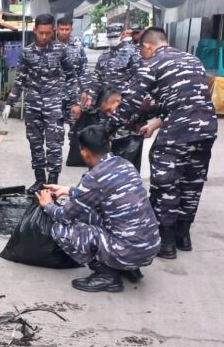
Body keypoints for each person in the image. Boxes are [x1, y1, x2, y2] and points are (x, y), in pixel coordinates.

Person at [112, 27, 218, 259]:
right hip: (207, 129)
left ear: (147, 46)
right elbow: (185, 100)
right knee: (192, 181)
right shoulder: (193, 60)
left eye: (142, 51)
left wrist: (109, 128)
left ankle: (166, 242)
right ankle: (183, 236)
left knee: (165, 183)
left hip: (179, 131)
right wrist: (155, 124)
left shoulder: (152, 64)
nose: (142, 56)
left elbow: (130, 101)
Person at [37, 125, 160, 292]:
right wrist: (67, 190)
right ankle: (128, 268)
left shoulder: (94, 177)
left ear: (84, 152)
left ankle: (107, 275)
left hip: (128, 252)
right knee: (90, 213)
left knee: (60, 229)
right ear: (109, 144)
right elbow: (100, 192)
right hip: (149, 246)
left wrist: (47, 205)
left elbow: (64, 216)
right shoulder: (125, 164)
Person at [2, 13, 79, 191]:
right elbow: (20, 80)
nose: (44, 37)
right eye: (41, 33)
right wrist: (9, 103)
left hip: (54, 104)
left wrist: (75, 102)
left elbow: (71, 77)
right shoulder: (27, 52)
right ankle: (39, 180)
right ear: (35, 30)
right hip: (33, 104)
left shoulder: (61, 50)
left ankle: (52, 182)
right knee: (35, 143)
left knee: (54, 144)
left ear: (53, 31)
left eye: (48, 33)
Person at [79, 23, 140, 115]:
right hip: (105, 100)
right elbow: (97, 78)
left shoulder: (132, 52)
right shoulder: (104, 55)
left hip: (124, 100)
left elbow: (138, 77)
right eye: (110, 37)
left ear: (122, 35)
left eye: (115, 37)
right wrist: (91, 97)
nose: (112, 40)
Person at [56, 17, 89, 135]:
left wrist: (85, 91)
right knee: (55, 134)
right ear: (56, 29)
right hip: (55, 97)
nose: (64, 32)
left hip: (74, 97)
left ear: (71, 29)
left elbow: (83, 71)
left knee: (76, 133)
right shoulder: (50, 48)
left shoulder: (78, 49)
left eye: (67, 29)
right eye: (61, 29)